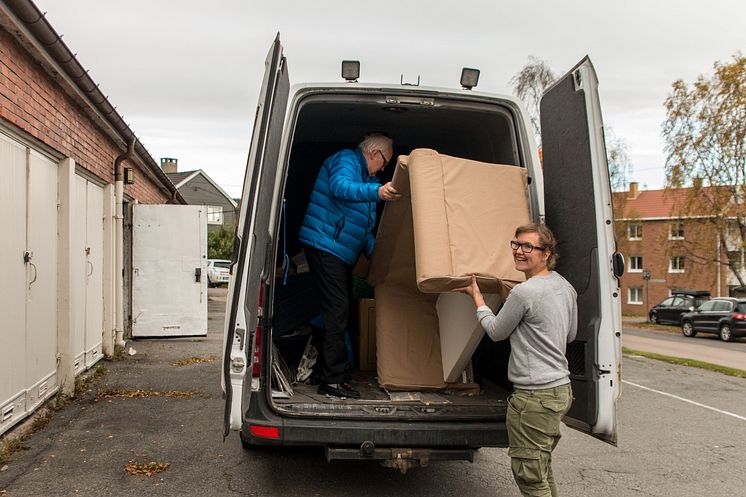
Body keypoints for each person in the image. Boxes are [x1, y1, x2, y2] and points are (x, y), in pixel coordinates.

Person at [456, 223, 577, 497]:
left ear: (546, 253)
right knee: (541, 469)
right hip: (560, 391)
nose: (520, 252)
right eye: (517, 244)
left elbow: (497, 332)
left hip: (534, 397)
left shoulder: (524, 293)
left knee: (530, 478)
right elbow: (569, 335)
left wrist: (477, 299)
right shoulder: (564, 286)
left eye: (529, 247)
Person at [299, 133, 400, 399]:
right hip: (324, 245)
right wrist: (377, 192)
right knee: (338, 309)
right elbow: (340, 187)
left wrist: (380, 257)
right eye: (385, 161)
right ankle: (332, 380)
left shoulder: (368, 180)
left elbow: (365, 230)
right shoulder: (346, 160)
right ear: (374, 153)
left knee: (336, 310)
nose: (384, 168)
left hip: (339, 253)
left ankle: (325, 373)